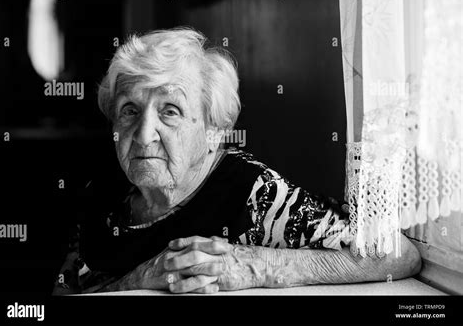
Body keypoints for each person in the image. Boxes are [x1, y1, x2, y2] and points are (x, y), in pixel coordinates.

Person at [53, 27, 421, 295]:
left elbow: (396, 254)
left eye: (170, 111)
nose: (144, 133)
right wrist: (140, 279)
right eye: (129, 110)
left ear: (214, 129)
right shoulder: (100, 192)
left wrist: (258, 264)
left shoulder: (252, 194)